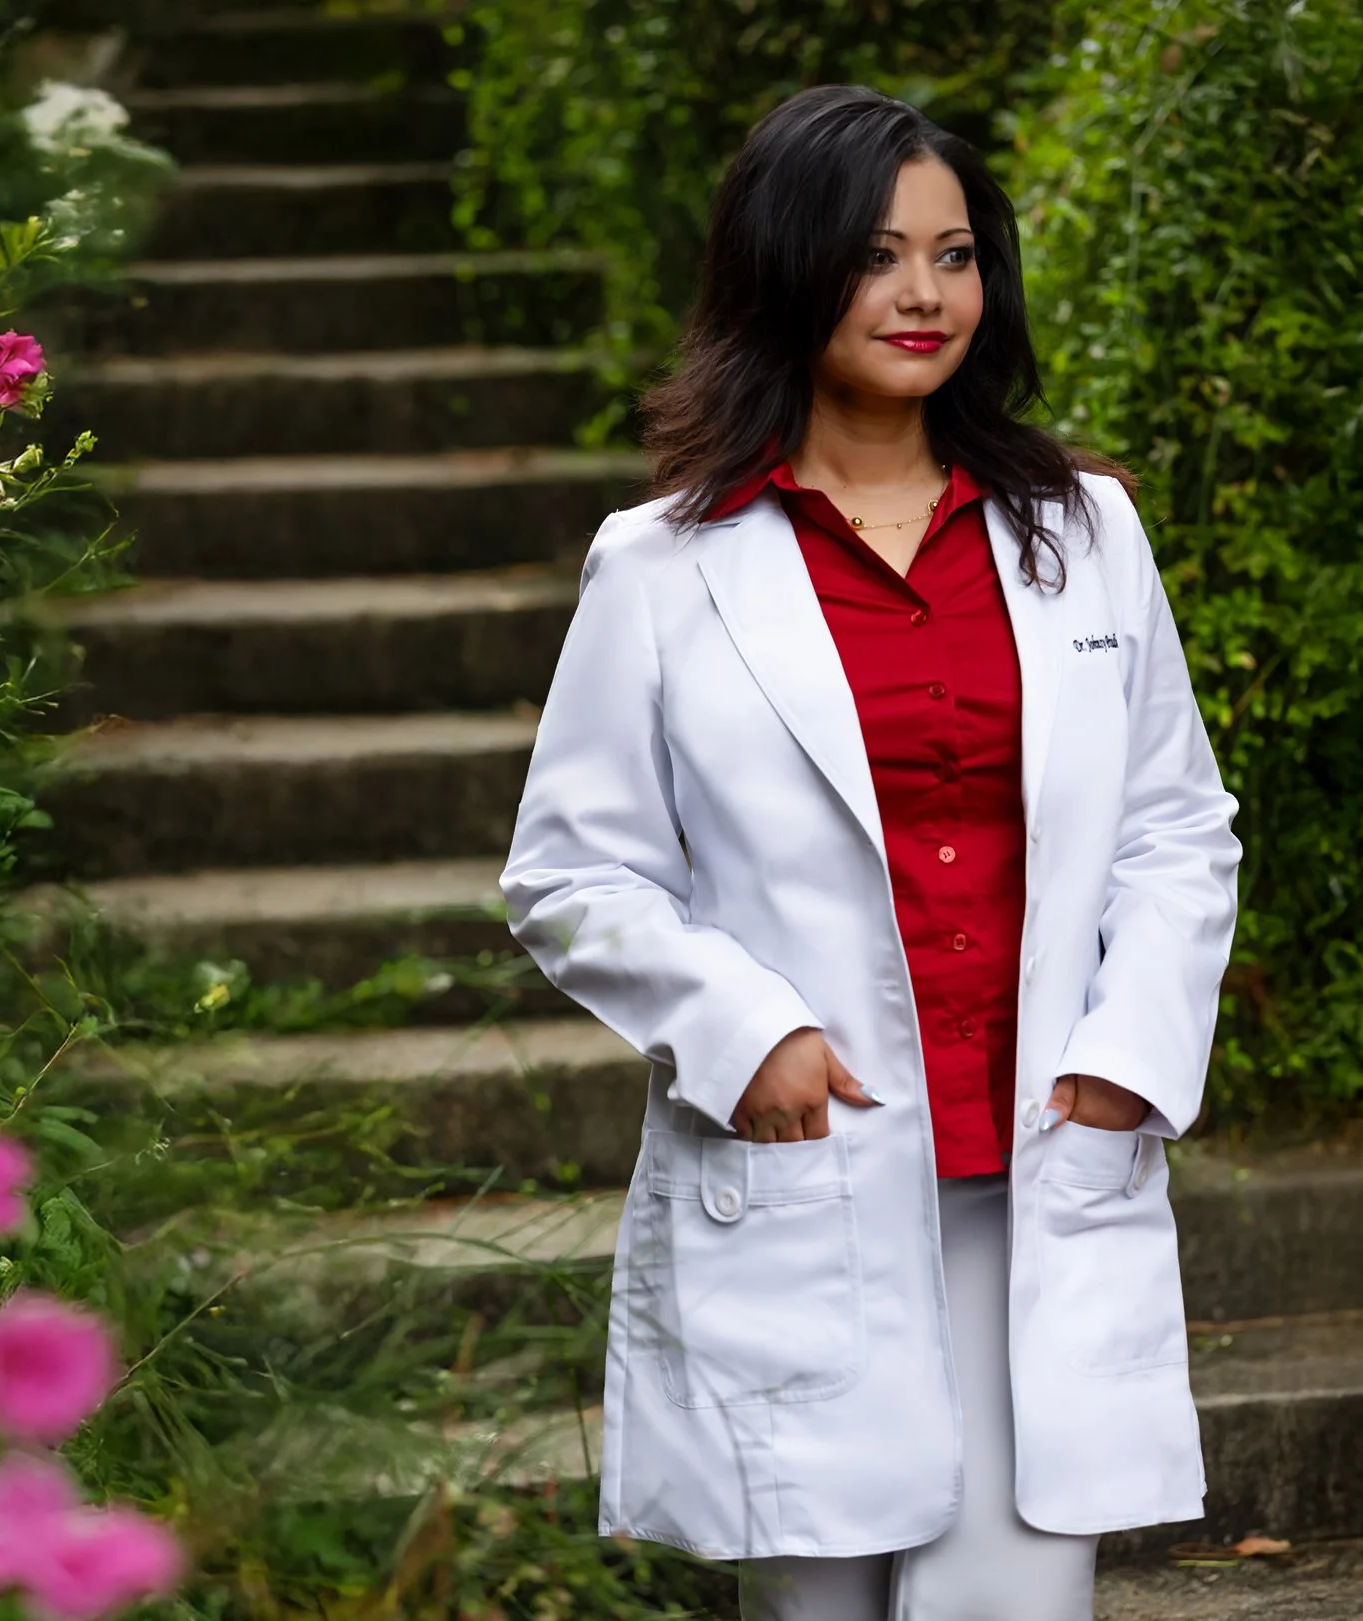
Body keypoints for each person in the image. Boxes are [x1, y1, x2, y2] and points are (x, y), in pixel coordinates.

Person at [499, 83, 1241, 1621]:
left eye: (955, 255)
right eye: (878, 255)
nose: (924, 295)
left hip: (1044, 1158)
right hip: (812, 1167)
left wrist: (1132, 1051)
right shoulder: (664, 567)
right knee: (822, 1603)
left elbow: (1178, 826)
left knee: (1018, 1603)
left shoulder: (1084, 529)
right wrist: (739, 1024)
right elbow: (572, 871)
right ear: (787, 268)